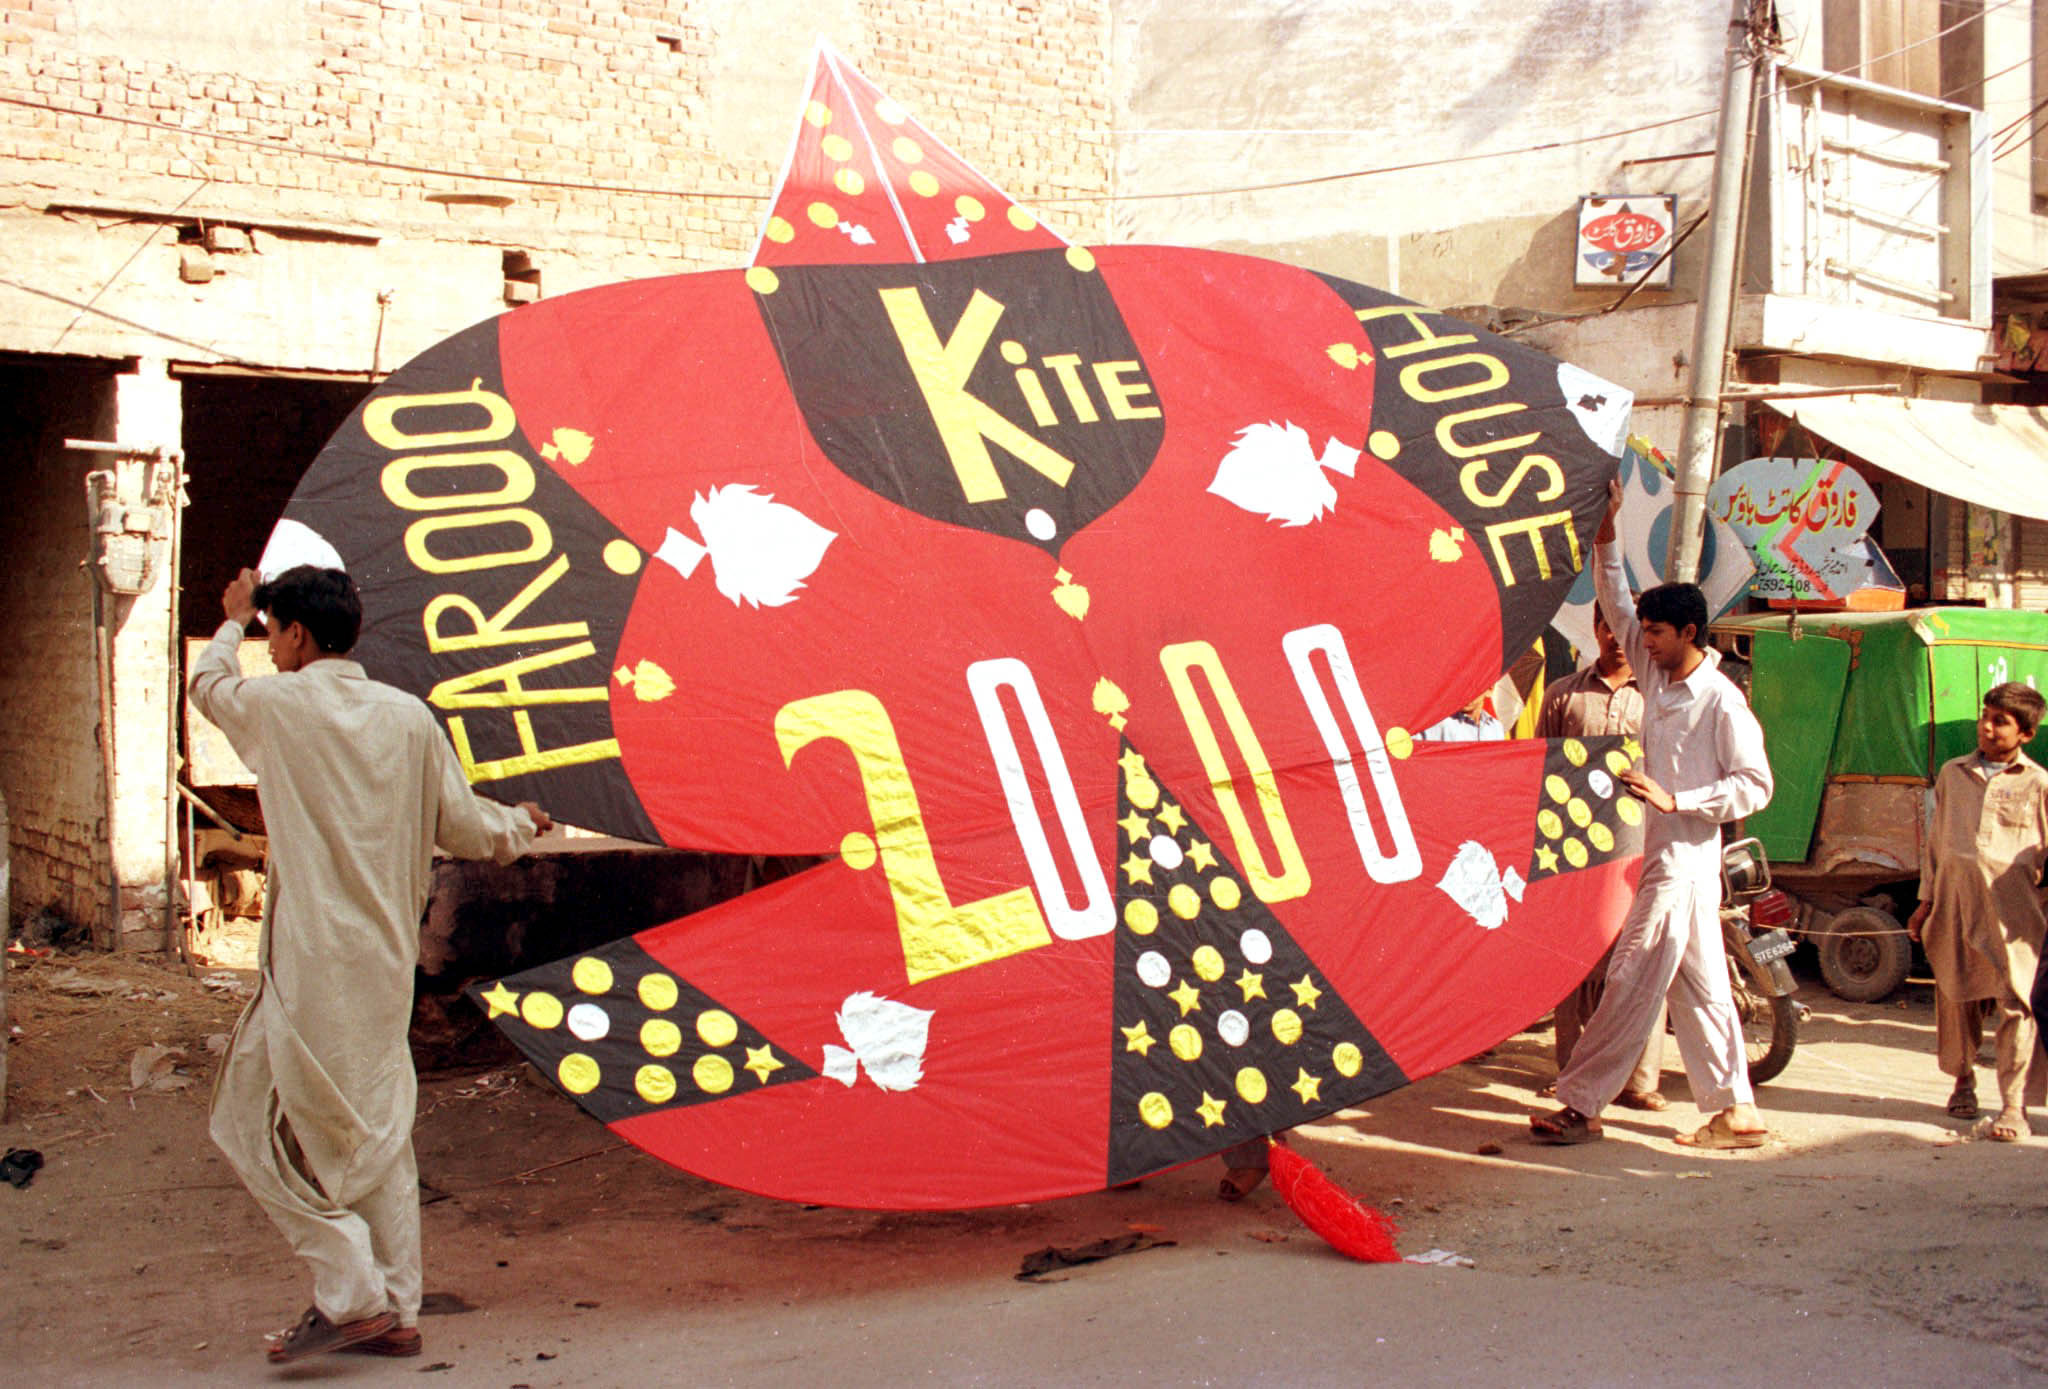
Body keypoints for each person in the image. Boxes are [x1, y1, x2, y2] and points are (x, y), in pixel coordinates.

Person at [190, 565, 550, 1363]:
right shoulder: (408, 718)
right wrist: (519, 822)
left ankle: (354, 1292)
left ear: (295, 634)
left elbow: (208, 685)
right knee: (374, 1134)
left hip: (313, 962)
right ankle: (394, 1306)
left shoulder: (278, 706)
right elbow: (465, 824)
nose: (271, 645)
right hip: (384, 960)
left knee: (261, 1125)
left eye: (274, 630)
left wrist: (231, 617)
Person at [1531, 480, 1773, 1150]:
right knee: (1702, 991)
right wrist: (1607, 531)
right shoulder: (1657, 670)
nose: (1643, 640)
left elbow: (1757, 785)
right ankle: (1737, 1111)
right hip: (1668, 858)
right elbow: (1611, 594)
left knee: (1631, 974)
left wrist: (1681, 800)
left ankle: (1580, 1103)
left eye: (1657, 631)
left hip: (1685, 859)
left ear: (1689, 633)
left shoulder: (1720, 701)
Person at [1533, 605, 1666, 1112]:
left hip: (1640, 848)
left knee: (1639, 957)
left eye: (1623, 627)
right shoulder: (1563, 694)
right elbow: (1538, 770)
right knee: (1569, 959)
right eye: (1606, 625)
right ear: (1594, 629)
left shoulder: (1658, 697)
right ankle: (1571, 1071)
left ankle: (1640, 1080)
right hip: (1572, 848)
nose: (1614, 637)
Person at [1907, 682, 2048, 1143]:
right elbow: (1935, 843)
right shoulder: (1953, 773)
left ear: (2025, 733)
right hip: (1953, 903)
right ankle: (1962, 1079)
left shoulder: (2038, 783)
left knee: (2017, 1005)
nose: (1986, 727)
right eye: (1985, 716)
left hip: (2014, 916)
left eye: (2000, 722)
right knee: (1955, 996)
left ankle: (2013, 1106)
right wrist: (1924, 905)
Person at [1419, 693, 1504, 743]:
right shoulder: (1438, 723)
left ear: (1490, 689)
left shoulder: (1496, 727)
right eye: (1464, 686)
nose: (1467, 694)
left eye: (1474, 687)